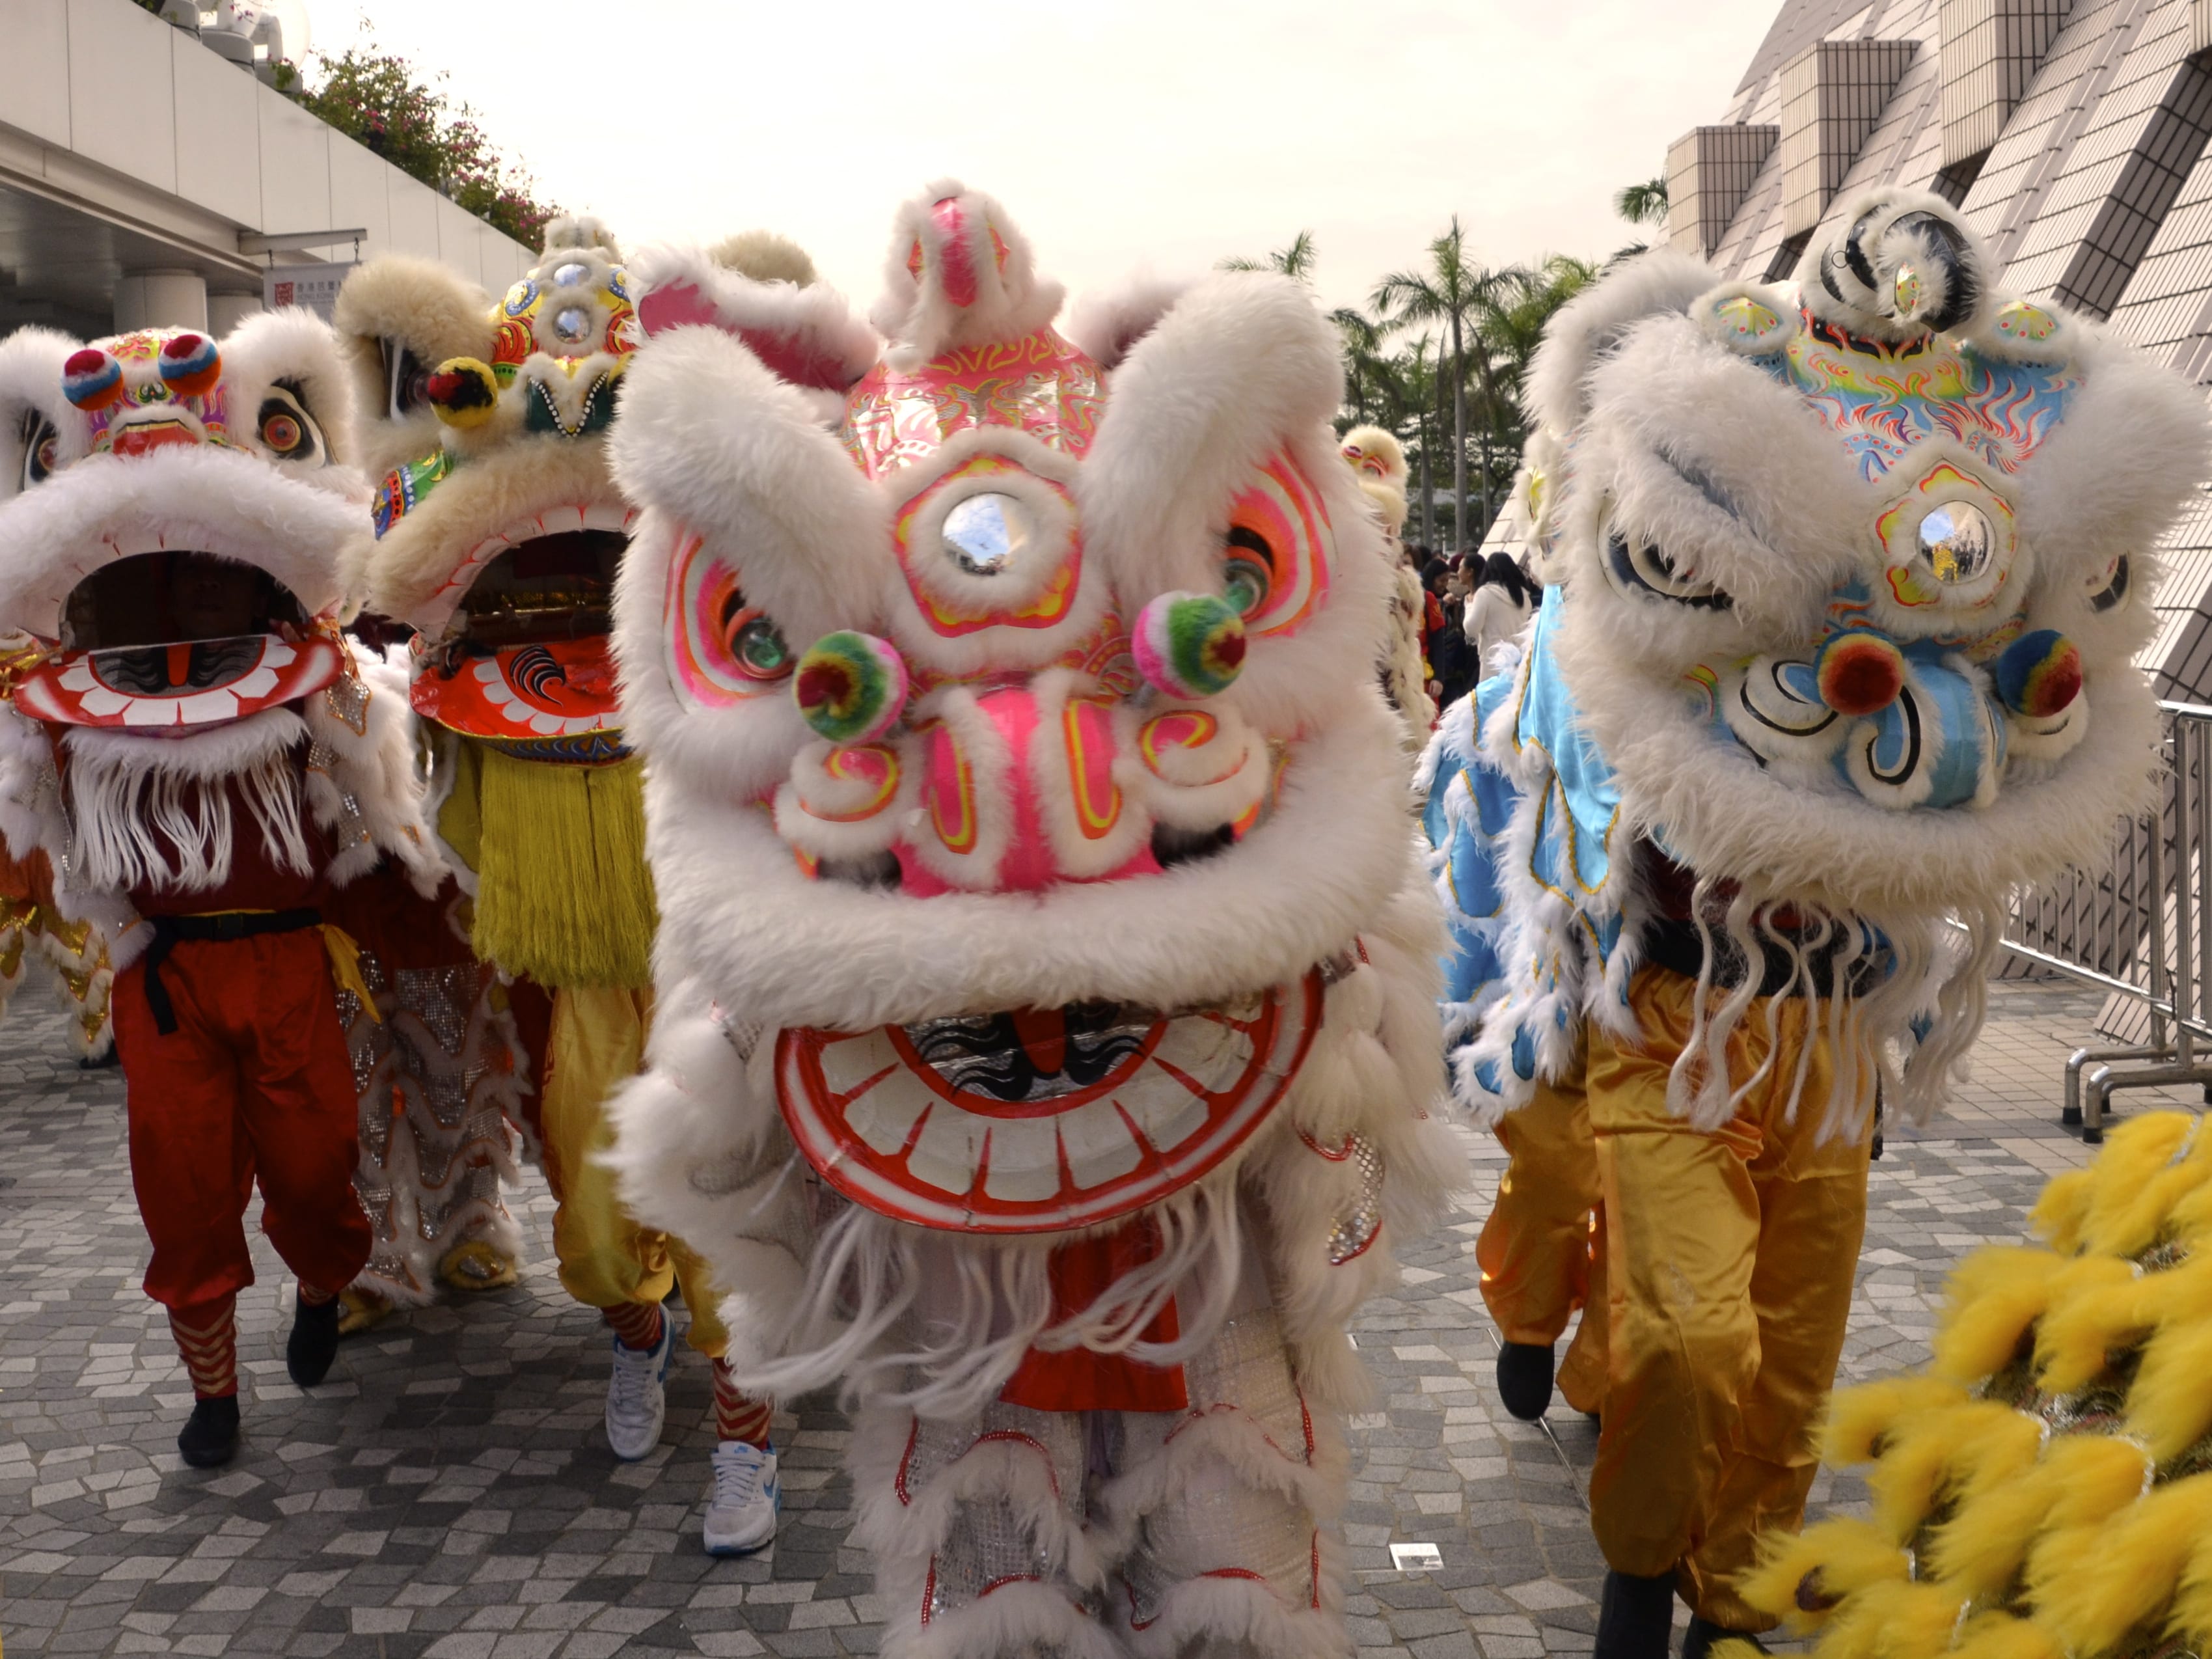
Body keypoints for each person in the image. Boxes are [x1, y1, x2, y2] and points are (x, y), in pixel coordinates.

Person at [600, 180, 1461, 1657]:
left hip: (1216, 1256)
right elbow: (726, 1146)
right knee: (984, 1566)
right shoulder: (801, 824)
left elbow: (1366, 1096)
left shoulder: (1274, 800)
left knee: (1238, 1561)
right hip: (949, 1283)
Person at [1436, 189, 2205, 1658]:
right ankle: (1633, 1537)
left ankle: (1736, 1573)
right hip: (1664, 1020)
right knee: (1683, 1333)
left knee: (1787, 1356)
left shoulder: (1920, 670)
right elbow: (1548, 805)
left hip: (1836, 1045)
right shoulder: (1624, 668)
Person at [331, 220, 809, 1554]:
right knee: (597, 1231)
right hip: (567, 982)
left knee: (733, 1195)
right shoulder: (465, 709)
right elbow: (443, 842)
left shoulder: (732, 676)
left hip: (717, 972)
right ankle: (633, 1327)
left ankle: (743, 1433)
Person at [0, 316, 465, 1468]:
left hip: (291, 957)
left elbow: (383, 816)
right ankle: (212, 1394)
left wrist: (430, 888)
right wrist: (114, 936)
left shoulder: (318, 688)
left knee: (314, 1165)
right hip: (162, 975)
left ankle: (321, 1278)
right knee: (183, 1187)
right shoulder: (54, 722)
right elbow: (52, 840)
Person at [1462, 551, 1536, 668]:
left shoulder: (1485, 593)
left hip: (1491, 662)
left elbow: (1471, 629)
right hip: (1517, 662)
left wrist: (1469, 605)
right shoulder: (1524, 596)